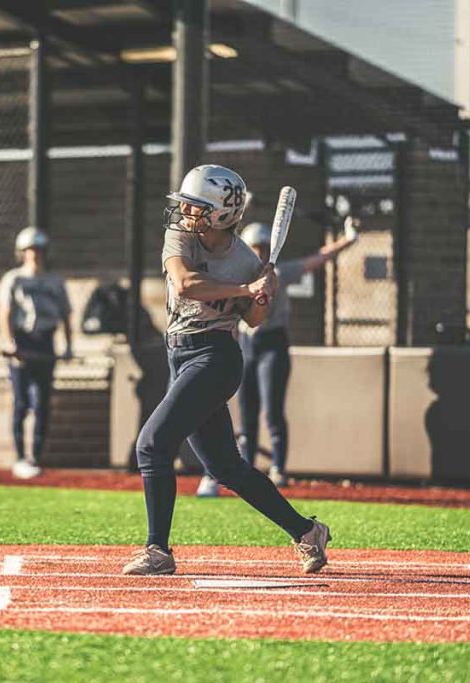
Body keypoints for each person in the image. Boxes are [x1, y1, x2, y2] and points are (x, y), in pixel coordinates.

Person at [123, 164, 331, 577]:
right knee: (225, 468)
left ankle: (158, 550)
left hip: (215, 358)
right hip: (179, 355)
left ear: (220, 214)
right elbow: (184, 283)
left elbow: (252, 320)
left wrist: (262, 294)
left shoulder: (243, 263)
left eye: (195, 206)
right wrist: (246, 289)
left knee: (151, 444)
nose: (185, 210)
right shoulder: (181, 234)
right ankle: (308, 532)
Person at [196, 217, 360, 497]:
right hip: (246, 345)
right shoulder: (238, 277)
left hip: (273, 343)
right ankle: (244, 471)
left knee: (272, 410)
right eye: (254, 247)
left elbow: (316, 259)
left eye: (262, 247)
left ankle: (278, 468)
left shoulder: (279, 273)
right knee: (246, 414)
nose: (258, 253)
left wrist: (348, 240)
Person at [0, 227, 74, 479]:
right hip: (23, 342)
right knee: (21, 402)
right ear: (22, 253)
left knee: (42, 403)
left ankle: (36, 457)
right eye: (31, 250)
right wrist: (10, 342)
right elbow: (5, 313)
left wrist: (68, 345)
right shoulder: (14, 279)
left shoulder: (55, 282)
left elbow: (65, 314)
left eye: (39, 251)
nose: (35, 255)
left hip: (45, 342)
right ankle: (20, 456)